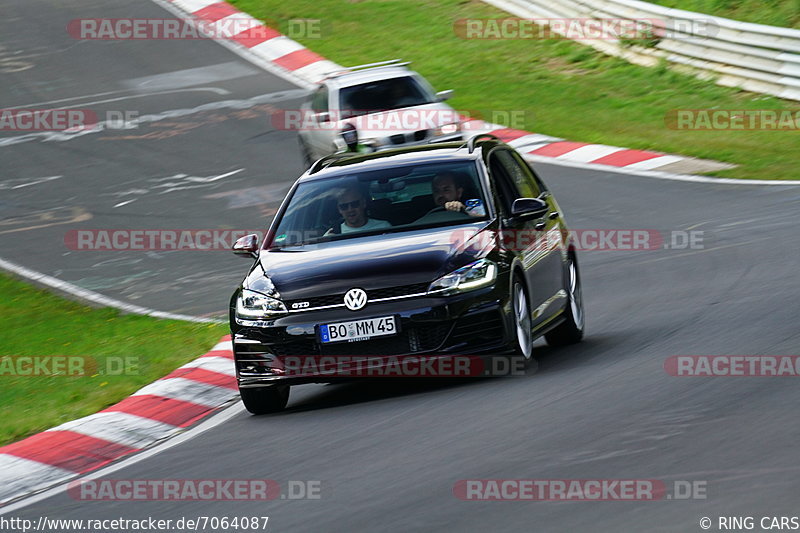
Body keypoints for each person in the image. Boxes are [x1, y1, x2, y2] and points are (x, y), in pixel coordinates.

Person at [325, 186, 391, 235]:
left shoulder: (383, 227)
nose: (350, 209)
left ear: (363, 203)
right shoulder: (333, 234)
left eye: (354, 204)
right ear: (339, 209)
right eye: (344, 206)